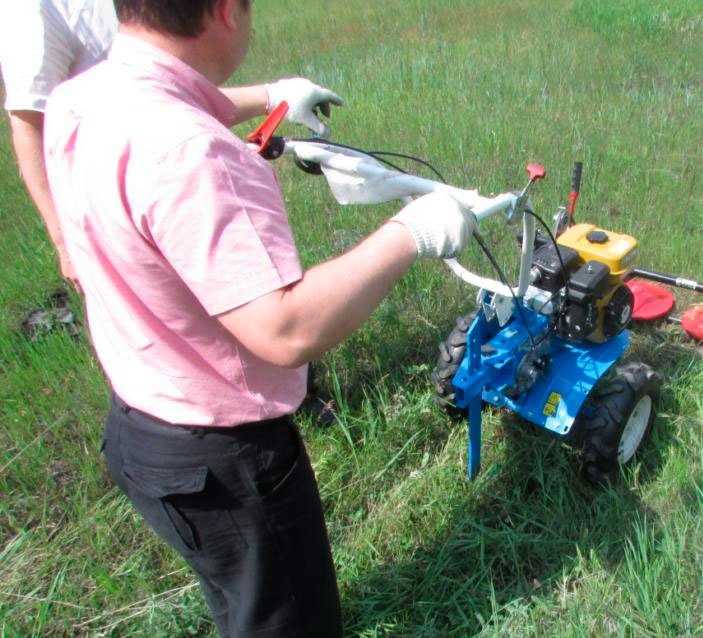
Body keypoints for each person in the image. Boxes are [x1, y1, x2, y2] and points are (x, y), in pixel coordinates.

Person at [42, 0, 477, 636]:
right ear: (225, 10)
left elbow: (168, 99)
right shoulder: (196, 154)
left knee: (243, 602)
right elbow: (287, 329)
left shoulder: (79, 99)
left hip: (142, 429)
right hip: (224, 463)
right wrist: (411, 233)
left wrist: (272, 96)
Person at [0, 0, 344, 287]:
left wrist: (274, 95)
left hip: (154, 188)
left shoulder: (80, 97)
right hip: (127, 208)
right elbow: (29, 121)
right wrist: (66, 241)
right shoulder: (34, 8)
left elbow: (158, 95)